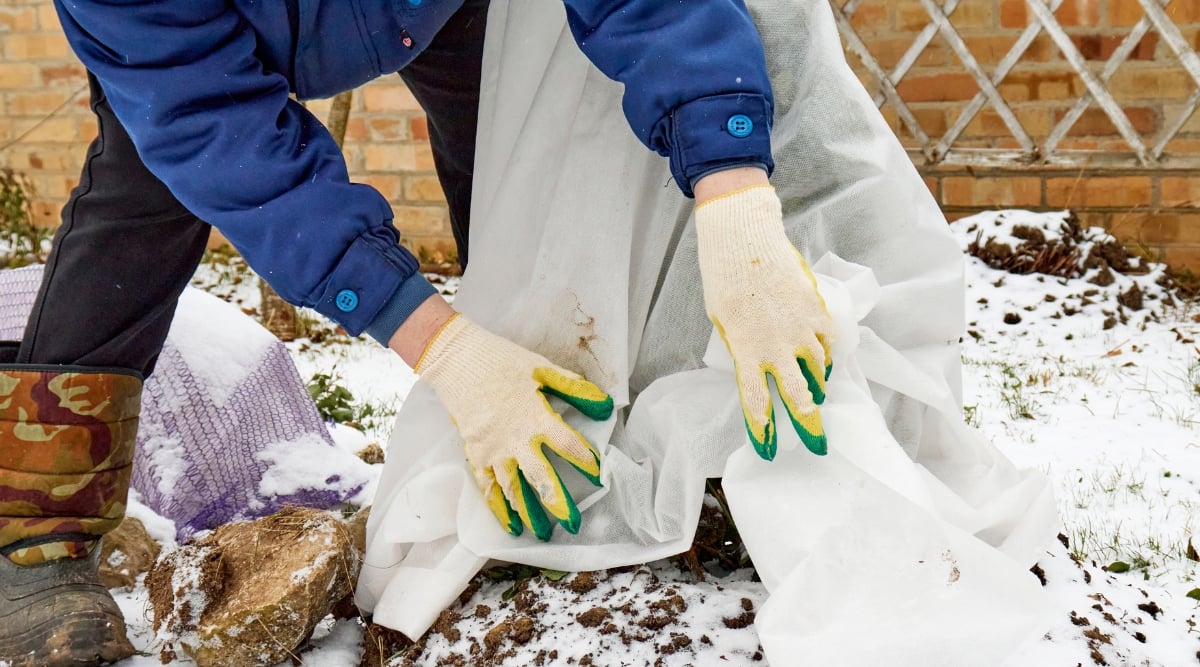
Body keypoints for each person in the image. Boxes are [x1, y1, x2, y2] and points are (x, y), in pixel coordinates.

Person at [0, 0, 833, 664]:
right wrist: (440, 344)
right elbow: (222, 138)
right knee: (137, 204)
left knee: (512, 166)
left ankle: (567, 431)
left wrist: (732, 188)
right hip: (200, 49)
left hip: (438, 9)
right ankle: (39, 533)